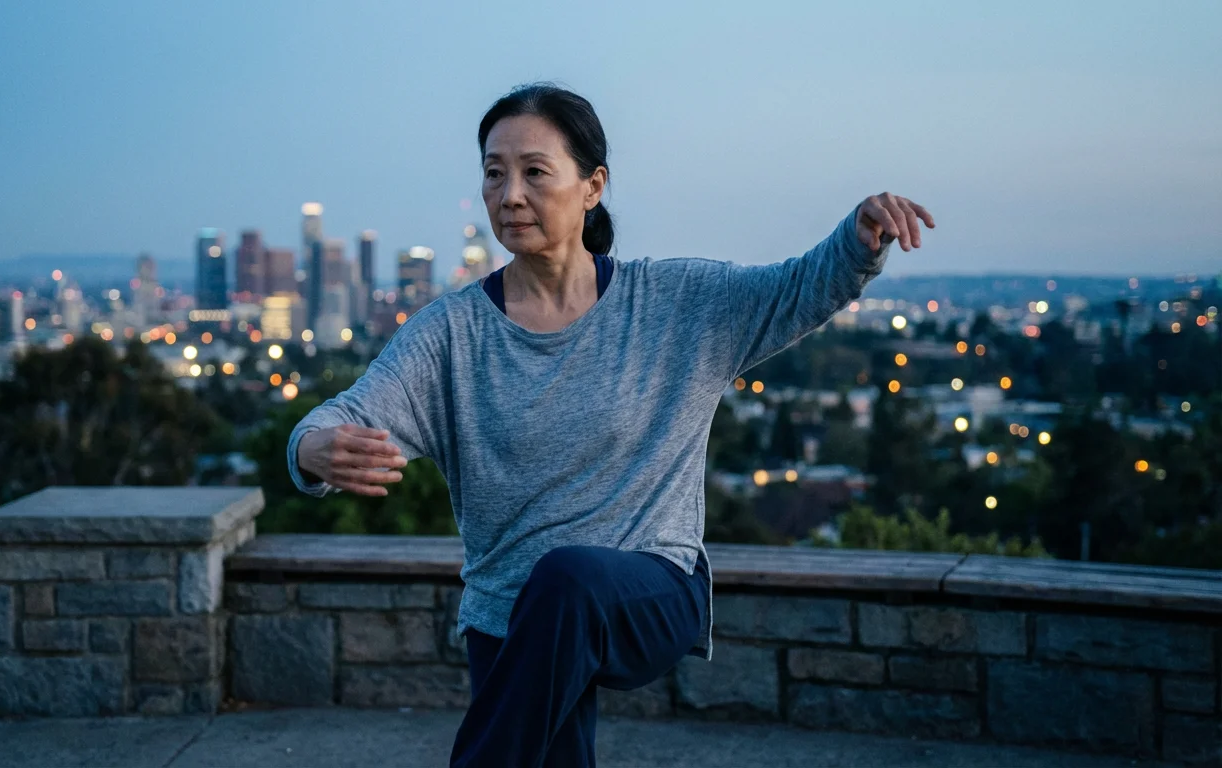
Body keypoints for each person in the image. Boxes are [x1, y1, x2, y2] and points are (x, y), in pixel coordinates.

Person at [287, 82, 934, 767]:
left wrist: (861, 239)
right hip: (510, 613)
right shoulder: (451, 334)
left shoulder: (676, 302)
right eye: (494, 172)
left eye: (534, 172)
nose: (509, 195)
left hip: (648, 589)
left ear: (592, 186)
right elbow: (341, 417)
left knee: (565, 584)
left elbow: (798, 286)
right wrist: (313, 449)